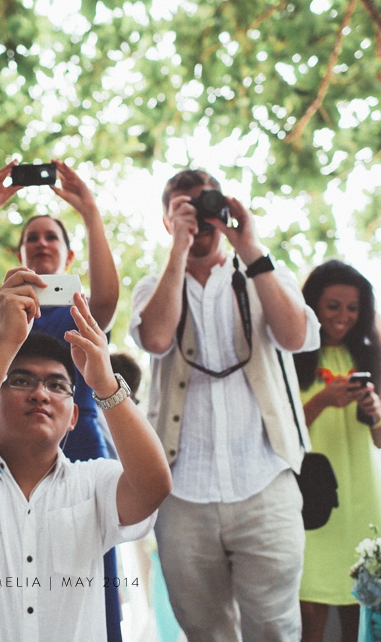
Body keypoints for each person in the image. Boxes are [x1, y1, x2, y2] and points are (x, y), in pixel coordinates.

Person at [0, 269, 172, 642]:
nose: (40, 394)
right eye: (21, 381)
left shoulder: (94, 483)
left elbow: (154, 487)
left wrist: (104, 383)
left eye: (57, 385)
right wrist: (4, 341)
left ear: (74, 417)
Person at [130, 168, 321, 641]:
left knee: (275, 627)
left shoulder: (264, 272)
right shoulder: (153, 284)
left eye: (206, 203)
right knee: (203, 629)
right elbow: (156, 338)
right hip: (182, 491)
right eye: (184, 208)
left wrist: (250, 247)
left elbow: (295, 336)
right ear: (167, 220)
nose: (199, 216)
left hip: (266, 479)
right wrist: (178, 251)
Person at [0, 159, 125, 639]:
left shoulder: (86, 308)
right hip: (5, 441)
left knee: (84, 561)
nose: (42, 243)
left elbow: (110, 295)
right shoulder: (2, 308)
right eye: (32, 238)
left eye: (51, 237)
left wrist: (90, 213)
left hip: (79, 439)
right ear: (21, 253)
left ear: (68, 255)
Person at [292, 260, 381, 642]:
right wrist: (323, 400)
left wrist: (375, 412)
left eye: (353, 308)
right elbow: (281, 433)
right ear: (312, 305)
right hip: (311, 500)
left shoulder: (369, 357)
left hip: (360, 496)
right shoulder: (292, 356)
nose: (343, 316)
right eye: (333, 306)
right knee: (310, 612)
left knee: (356, 612)